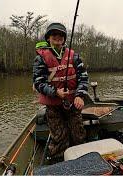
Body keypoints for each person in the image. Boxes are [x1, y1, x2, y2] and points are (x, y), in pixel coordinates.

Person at [33, 22, 88, 162]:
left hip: (73, 104)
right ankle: (59, 162)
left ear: (64, 38)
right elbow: (38, 82)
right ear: (48, 38)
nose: (57, 38)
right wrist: (54, 92)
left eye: (60, 35)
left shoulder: (74, 56)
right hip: (53, 105)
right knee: (59, 137)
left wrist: (80, 95)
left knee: (78, 134)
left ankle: (81, 161)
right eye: (54, 35)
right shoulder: (40, 58)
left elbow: (83, 77)